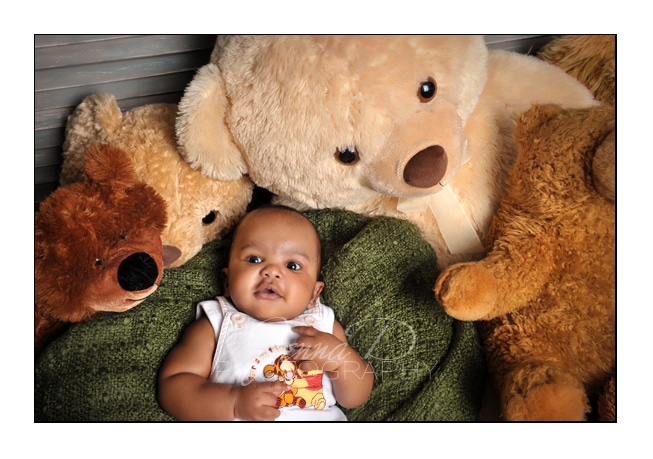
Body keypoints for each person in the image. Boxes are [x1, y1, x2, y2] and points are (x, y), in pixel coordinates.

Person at [158, 205, 374, 421]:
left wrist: (340, 360)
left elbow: (354, 398)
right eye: (254, 259)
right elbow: (174, 386)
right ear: (227, 281)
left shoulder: (324, 326)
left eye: (292, 265)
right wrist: (233, 402)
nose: (272, 271)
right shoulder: (215, 325)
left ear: (313, 294)